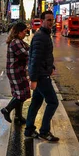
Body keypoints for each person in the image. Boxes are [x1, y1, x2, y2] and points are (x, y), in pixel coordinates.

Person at [24, 10, 59, 142]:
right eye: (48, 20)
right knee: (53, 102)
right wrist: (33, 79)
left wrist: (51, 67)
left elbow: (45, 56)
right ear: (43, 21)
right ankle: (44, 131)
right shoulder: (40, 37)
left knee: (36, 102)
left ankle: (29, 129)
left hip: (42, 73)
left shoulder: (44, 36)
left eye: (52, 20)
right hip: (41, 76)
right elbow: (34, 59)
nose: (51, 22)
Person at [1, 22, 30, 124]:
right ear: (19, 32)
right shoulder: (16, 42)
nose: (25, 34)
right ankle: (7, 110)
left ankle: (18, 117)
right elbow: (26, 54)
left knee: (19, 94)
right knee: (21, 95)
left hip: (18, 71)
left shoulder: (18, 41)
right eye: (24, 32)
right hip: (15, 71)